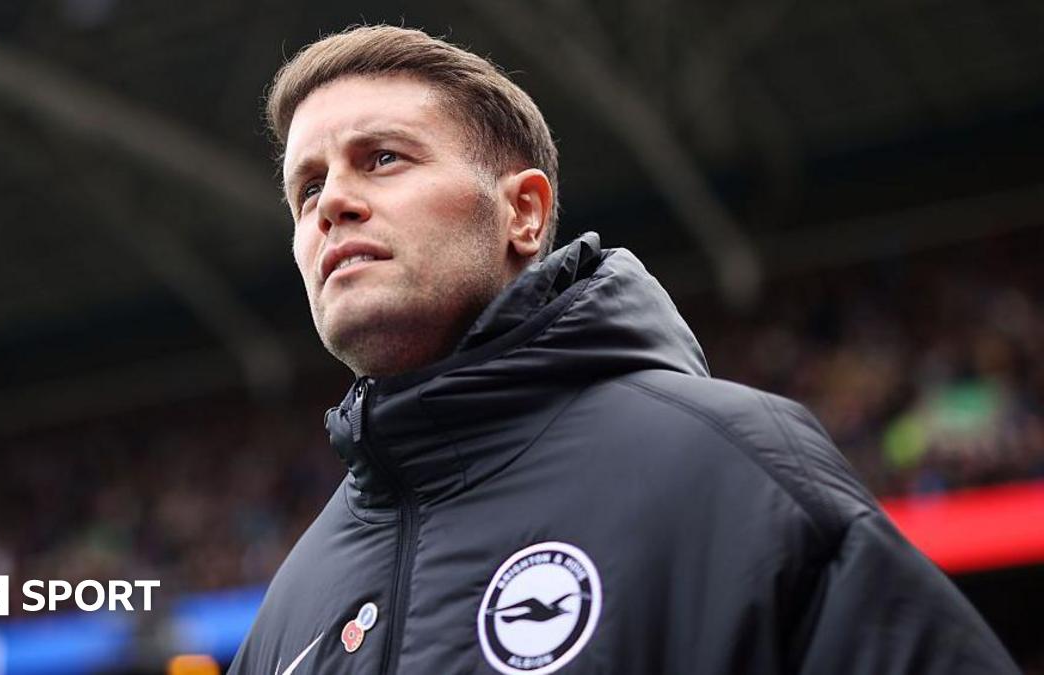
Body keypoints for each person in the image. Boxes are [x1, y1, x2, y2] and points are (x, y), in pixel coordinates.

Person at [227, 25, 1016, 675]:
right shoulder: (291, 602)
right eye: (306, 189)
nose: (331, 202)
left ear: (524, 215)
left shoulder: (733, 467)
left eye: (383, 158)